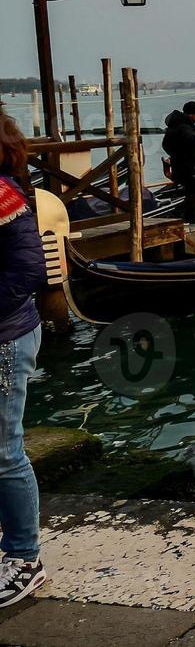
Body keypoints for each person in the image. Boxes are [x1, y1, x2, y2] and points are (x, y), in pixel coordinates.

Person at [0, 108, 46, 609]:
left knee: (3, 449)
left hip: (6, 339)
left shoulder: (3, 195)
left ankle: (24, 557)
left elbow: (28, 268)